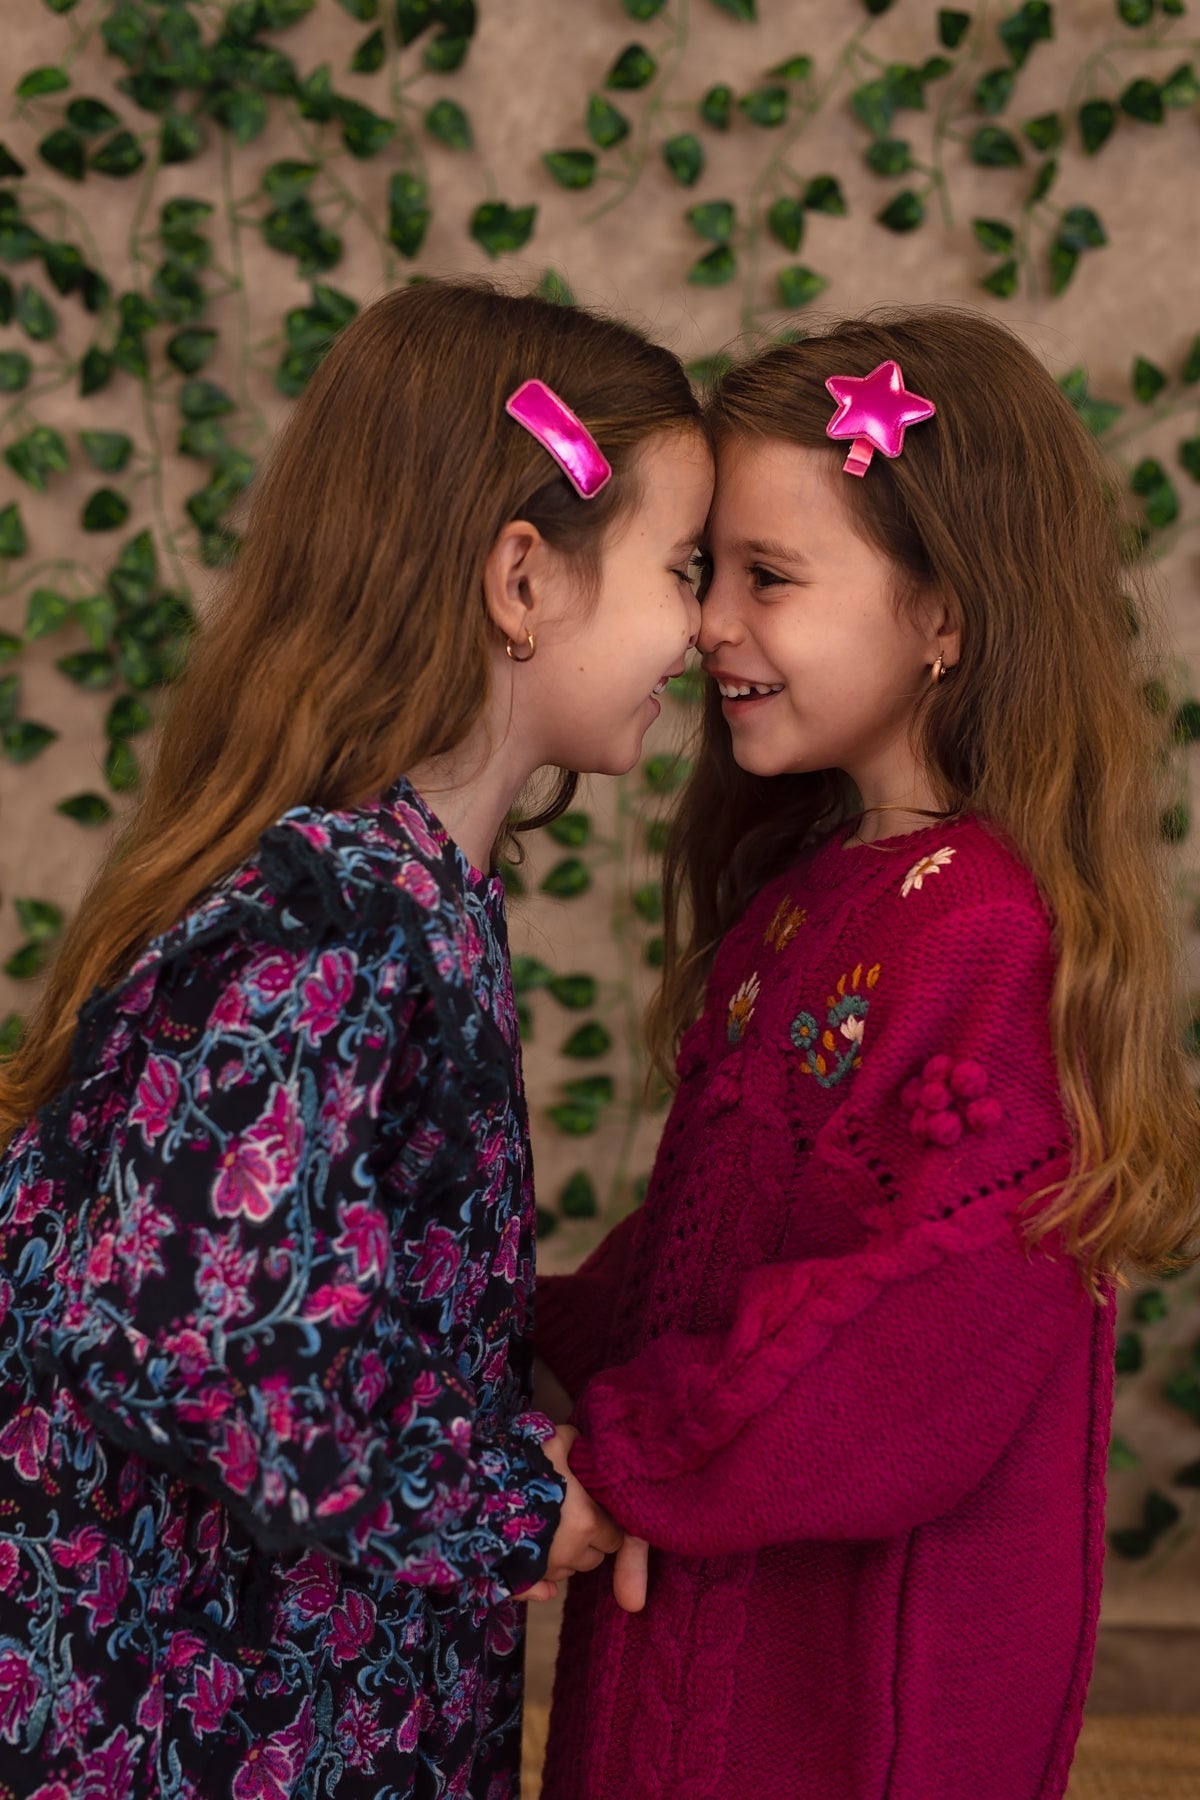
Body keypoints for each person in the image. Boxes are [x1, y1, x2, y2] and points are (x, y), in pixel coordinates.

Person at [0, 279, 712, 1799]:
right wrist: (511, 1506)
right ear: (523, 578)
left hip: (315, 1686)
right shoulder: (342, 919)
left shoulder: (407, 896)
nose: (704, 628)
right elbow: (208, 1344)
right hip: (229, 1726)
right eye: (683, 567)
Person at [535, 308, 1200, 1800]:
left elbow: (914, 1344)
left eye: (767, 578)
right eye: (706, 572)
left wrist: (627, 1454)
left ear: (943, 614)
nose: (711, 624)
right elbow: (723, 1245)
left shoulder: (987, 937)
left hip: (840, 1702)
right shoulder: (816, 897)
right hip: (708, 1616)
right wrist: (536, 1340)